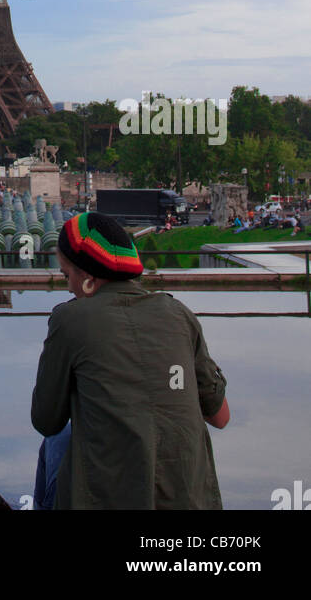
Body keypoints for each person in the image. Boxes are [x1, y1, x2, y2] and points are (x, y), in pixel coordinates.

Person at [31, 212, 229, 510]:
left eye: (66, 275)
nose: (68, 287)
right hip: (190, 504)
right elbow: (220, 417)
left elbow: (46, 420)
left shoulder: (69, 319)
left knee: (58, 441)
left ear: (88, 277)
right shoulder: (179, 313)